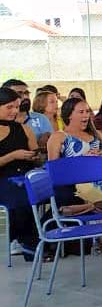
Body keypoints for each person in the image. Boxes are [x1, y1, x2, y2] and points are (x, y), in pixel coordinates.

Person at [0, 86, 41, 256]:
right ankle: (23, 241)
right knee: (21, 198)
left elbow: (36, 153)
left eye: (16, 107)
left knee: (60, 193)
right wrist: (13, 156)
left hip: (26, 174)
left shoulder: (23, 128)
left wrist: (33, 156)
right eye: (9, 107)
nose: (14, 111)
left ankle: (43, 237)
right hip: (4, 177)